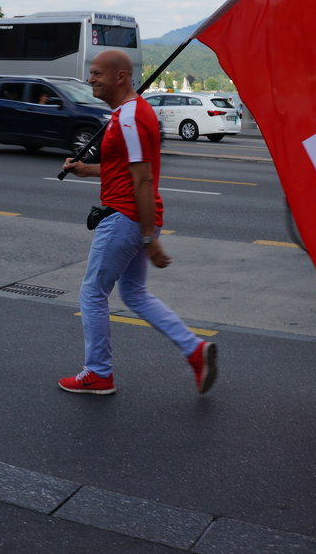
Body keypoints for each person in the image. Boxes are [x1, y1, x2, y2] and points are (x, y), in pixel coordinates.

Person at [58, 49, 217, 396]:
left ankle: (98, 373)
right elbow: (125, 169)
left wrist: (149, 238)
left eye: (97, 73)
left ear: (121, 77)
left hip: (125, 217)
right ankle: (194, 350)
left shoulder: (129, 118)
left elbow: (142, 180)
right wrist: (86, 169)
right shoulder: (127, 114)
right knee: (134, 293)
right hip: (136, 216)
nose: (90, 79)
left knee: (92, 293)